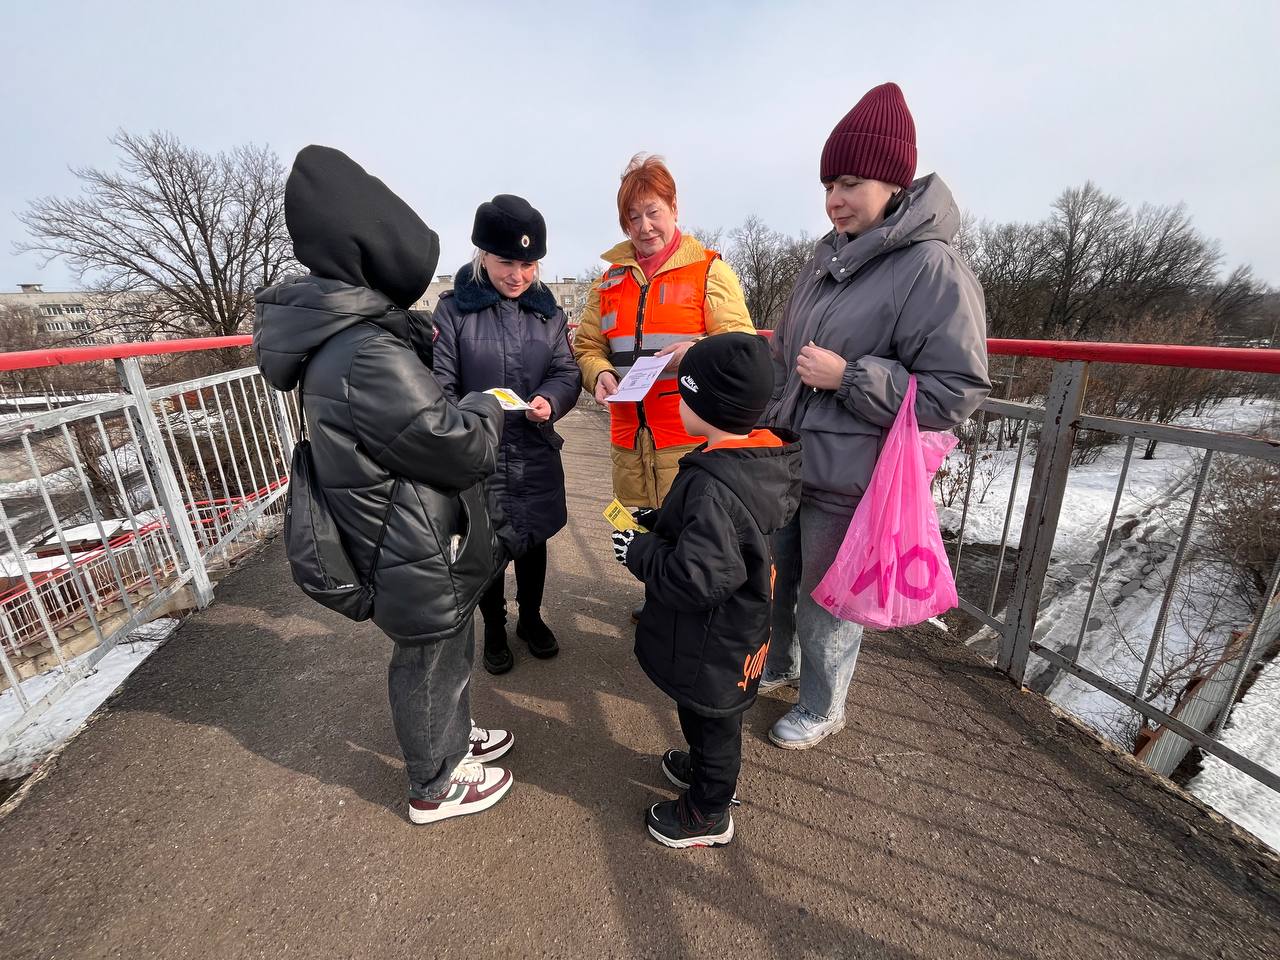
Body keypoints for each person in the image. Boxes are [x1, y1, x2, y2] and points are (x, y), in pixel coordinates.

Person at [254, 146, 515, 825]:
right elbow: (456, 447)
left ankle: (452, 739)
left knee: (446, 638)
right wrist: (485, 406)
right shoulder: (366, 351)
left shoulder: (346, 338)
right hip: (406, 532)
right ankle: (434, 781)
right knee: (429, 653)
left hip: (399, 523)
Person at [760, 82, 991, 750]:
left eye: (850, 183)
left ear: (893, 182)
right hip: (791, 454)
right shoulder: (824, 260)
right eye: (828, 184)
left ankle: (823, 704)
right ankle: (779, 664)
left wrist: (850, 377)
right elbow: (783, 353)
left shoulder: (932, 267)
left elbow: (956, 390)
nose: (835, 199)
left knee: (828, 599)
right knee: (777, 577)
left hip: (854, 471)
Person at [612, 333, 801, 848]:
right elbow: (712, 537)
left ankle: (708, 811)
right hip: (727, 631)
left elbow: (697, 577)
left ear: (706, 406)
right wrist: (658, 523)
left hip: (716, 642)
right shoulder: (741, 463)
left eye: (683, 393)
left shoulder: (714, 485)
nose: (677, 402)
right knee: (701, 714)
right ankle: (703, 769)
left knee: (715, 722)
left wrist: (639, 552)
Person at [432, 195, 581, 674]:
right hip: (480, 453)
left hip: (534, 449)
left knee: (533, 542)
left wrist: (550, 401)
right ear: (482, 256)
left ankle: (530, 618)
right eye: (506, 263)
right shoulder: (453, 311)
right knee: (487, 547)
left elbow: (566, 371)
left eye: (528, 264)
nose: (518, 275)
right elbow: (440, 383)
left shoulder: (549, 314)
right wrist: (472, 420)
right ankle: (494, 627)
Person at [573, 153, 755, 513]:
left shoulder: (709, 271)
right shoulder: (607, 283)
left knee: (692, 541)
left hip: (691, 444)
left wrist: (694, 353)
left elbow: (741, 348)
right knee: (638, 541)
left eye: (653, 212)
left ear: (674, 207)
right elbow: (587, 346)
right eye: (633, 217)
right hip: (628, 449)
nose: (645, 227)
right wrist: (599, 373)